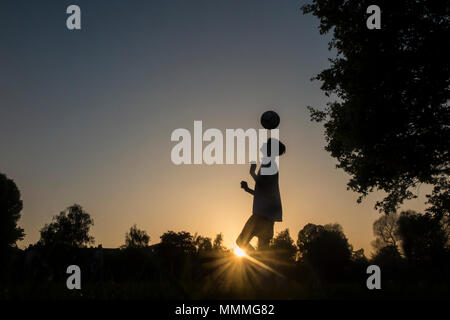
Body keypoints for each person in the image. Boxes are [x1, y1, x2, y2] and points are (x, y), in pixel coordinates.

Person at [236, 138, 286, 252]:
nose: (263, 146)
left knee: (241, 241)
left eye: (266, 145)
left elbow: (263, 186)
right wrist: (248, 189)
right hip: (268, 216)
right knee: (263, 252)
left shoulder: (269, 164)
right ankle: (259, 262)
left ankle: (256, 259)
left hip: (261, 216)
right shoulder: (269, 164)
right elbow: (264, 193)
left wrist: (252, 173)